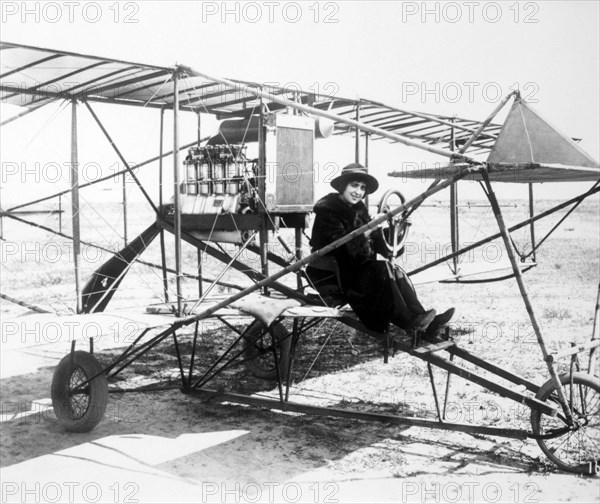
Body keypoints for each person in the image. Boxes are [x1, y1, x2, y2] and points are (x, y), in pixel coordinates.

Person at [307, 162, 454, 339]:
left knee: (396, 271)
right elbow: (343, 249)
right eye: (354, 185)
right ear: (342, 186)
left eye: (362, 188)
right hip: (330, 274)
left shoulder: (359, 211)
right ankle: (408, 320)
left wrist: (394, 232)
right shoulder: (328, 211)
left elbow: (379, 246)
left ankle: (423, 319)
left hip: (354, 271)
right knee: (381, 269)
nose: (358, 191)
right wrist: (370, 228)